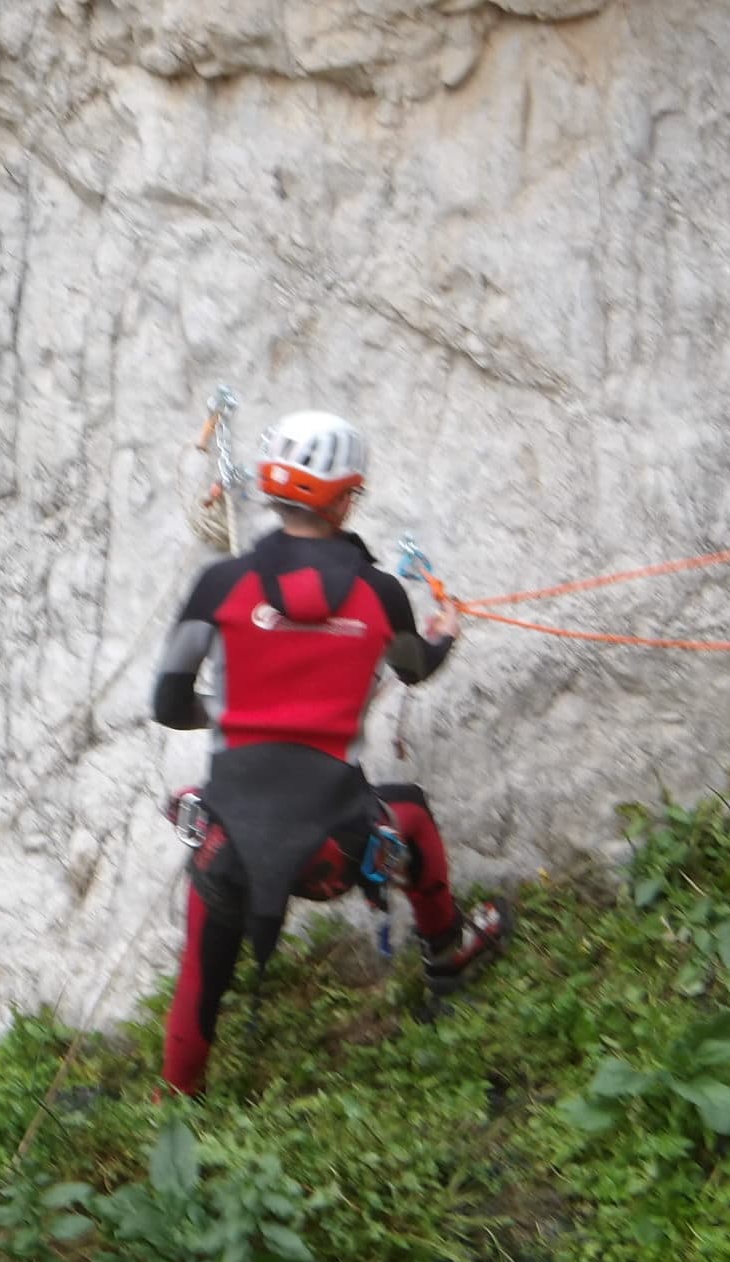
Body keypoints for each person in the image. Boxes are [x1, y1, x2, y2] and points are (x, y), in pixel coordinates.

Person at [150, 408, 510, 1097]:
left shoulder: (218, 587)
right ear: (345, 500)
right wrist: (445, 633)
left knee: (202, 961)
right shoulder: (380, 594)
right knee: (410, 813)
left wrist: (230, 712)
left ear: (272, 488)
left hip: (232, 845)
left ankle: (177, 1096)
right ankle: (448, 954)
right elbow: (414, 667)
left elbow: (168, 704)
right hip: (333, 855)